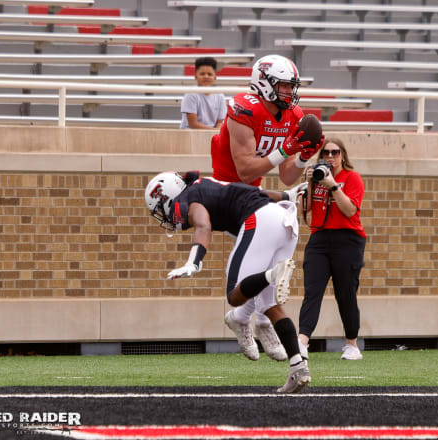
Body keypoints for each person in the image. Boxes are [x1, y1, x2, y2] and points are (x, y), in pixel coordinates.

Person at [144, 171, 311, 393]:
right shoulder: (207, 185)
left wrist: (194, 262)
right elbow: (255, 192)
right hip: (286, 220)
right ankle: (298, 368)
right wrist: (285, 195)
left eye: (159, 209)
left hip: (260, 219)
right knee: (269, 305)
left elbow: (203, 226)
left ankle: (265, 284)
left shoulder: (189, 198)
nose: (162, 217)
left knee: (234, 294)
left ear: (166, 197)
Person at [210, 54, 324, 362]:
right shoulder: (244, 108)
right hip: (224, 192)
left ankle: (248, 317)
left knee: (287, 225)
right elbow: (245, 169)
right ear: (264, 82)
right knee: (263, 251)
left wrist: (302, 157)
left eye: (291, 87)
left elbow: (286, 174)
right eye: (284, 86)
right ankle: (254, 317)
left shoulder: (292, 114)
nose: (290, 93)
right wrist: (287, 148)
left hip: (252, 196)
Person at [297, 138, 366, 361]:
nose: (330, 157)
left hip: (348, 239)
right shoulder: (316, 177)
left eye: (335, 152)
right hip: (319, 239)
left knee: (345, 294)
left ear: (343, 156)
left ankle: (352, 344)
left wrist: (333, 186)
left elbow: (349, 210)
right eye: (326, 153)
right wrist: (309, 183)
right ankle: (302, 341)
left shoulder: (351, 178)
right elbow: (305, 210)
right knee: (312, 290)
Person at [180, 57, 227, 129]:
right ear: (195, 76)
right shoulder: (190, 94)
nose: (206, 76)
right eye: (202, 74)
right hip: (190, 135)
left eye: (209, 74)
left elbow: (220, 122)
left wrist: (215, 134)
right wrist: (213, 132)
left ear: (215, 77)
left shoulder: (220, 96)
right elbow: (193, 124)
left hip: (212, 134)